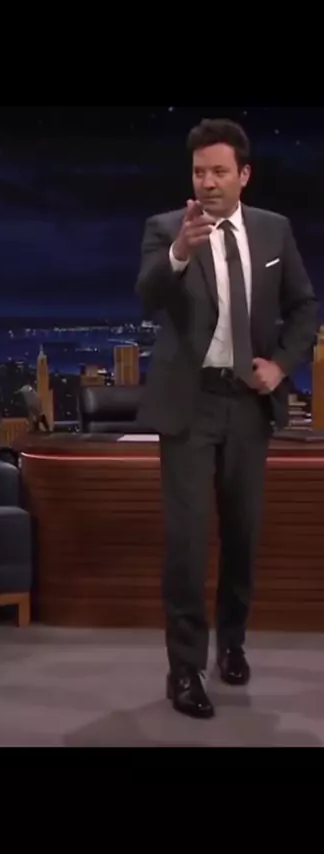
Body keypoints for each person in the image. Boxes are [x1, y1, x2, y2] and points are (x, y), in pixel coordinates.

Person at [135, 118, 319, 719]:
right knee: (187, 543)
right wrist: (180, 253)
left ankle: (232, 643)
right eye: (198, 172)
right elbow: (148, 295)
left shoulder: (273, 230)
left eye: (219, 172)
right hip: (189, 404)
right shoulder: (166, 228)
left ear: (244, 175)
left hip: (247, 404)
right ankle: (185, 669)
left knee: (242, 534)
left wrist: (281, 365)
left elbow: (304, 307)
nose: (207, 183)